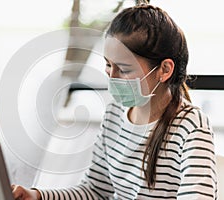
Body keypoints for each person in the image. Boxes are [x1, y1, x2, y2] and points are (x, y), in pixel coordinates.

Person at [12, 3, 218, 199]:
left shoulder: (191, 127)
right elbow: (95, 191)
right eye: (108, 65)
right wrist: (37, 195)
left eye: (124, 69)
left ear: (164, 70)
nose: (112, 77)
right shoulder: (114, 113)